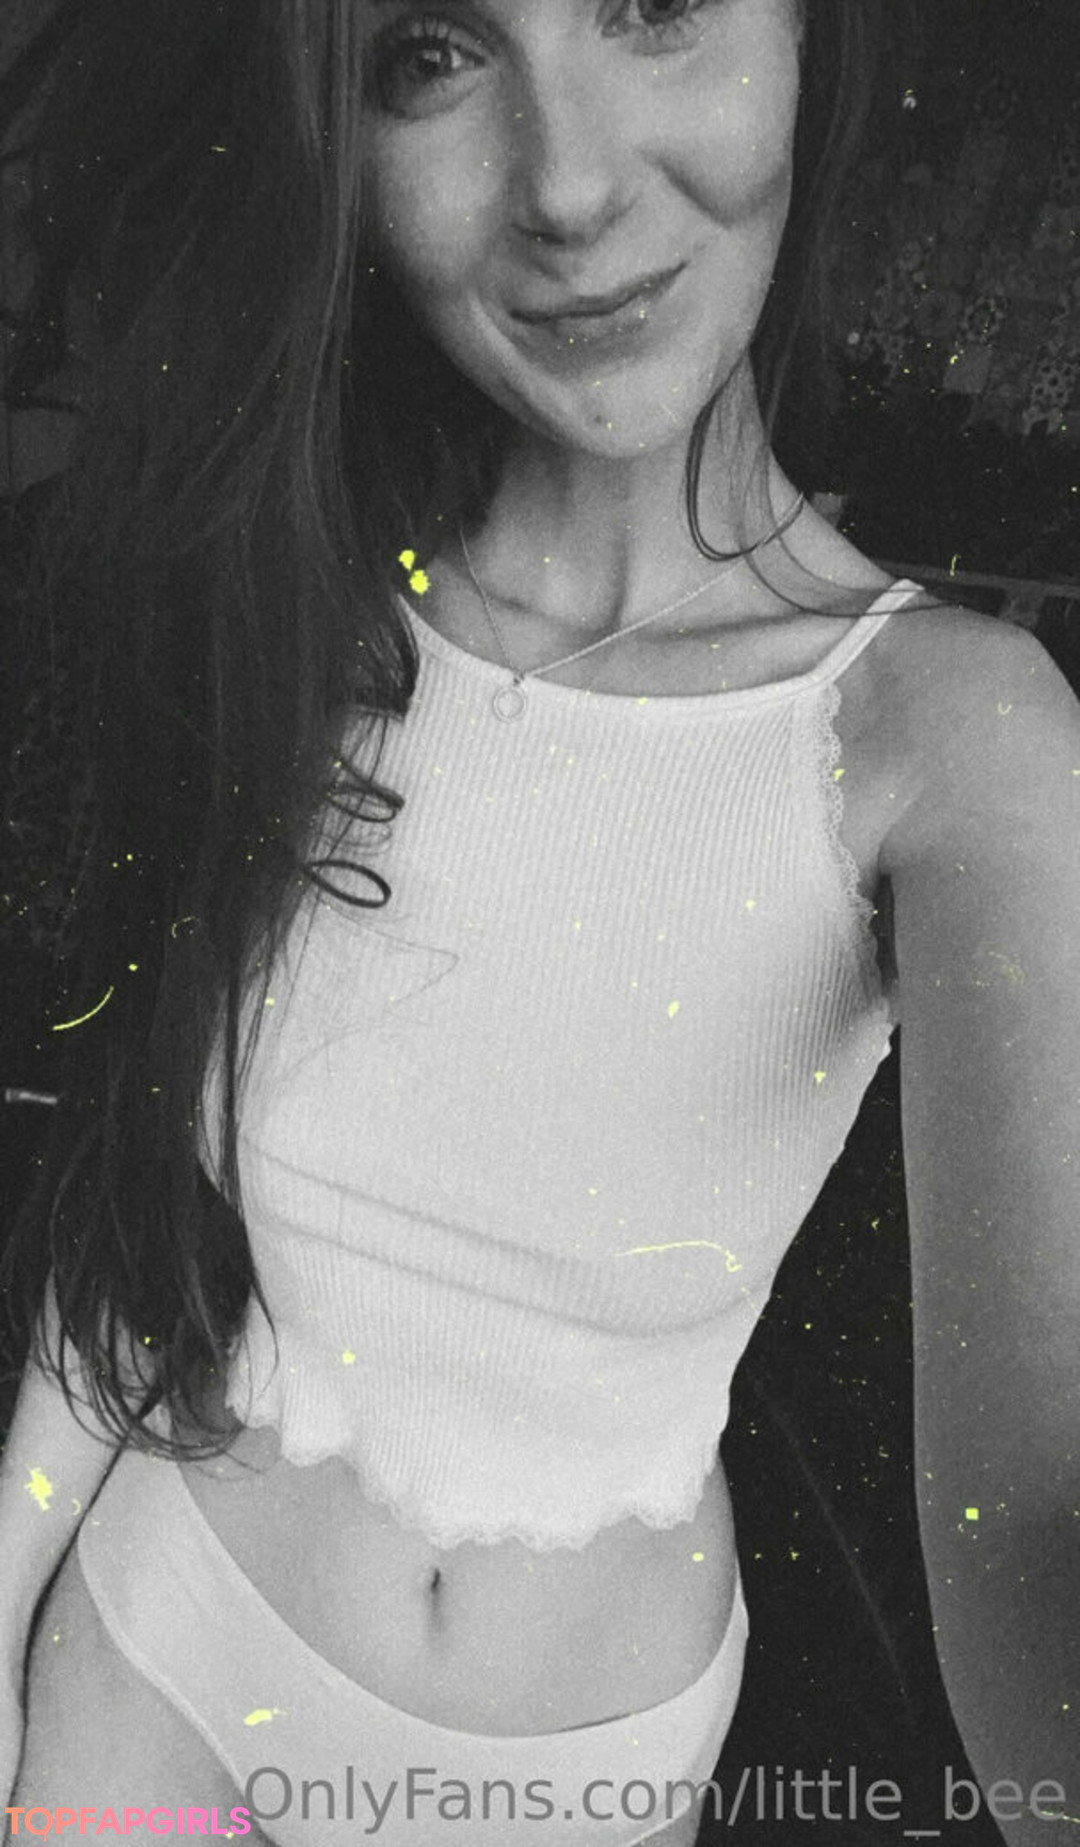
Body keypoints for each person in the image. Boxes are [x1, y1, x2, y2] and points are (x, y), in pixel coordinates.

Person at [1, 1, 1077, 1842]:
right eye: (431, 52)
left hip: (557, 1788)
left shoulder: (953, 743)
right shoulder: (299, 609)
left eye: (651, 3)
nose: (568, 187)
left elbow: (1038, 1516)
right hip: (153, 1653)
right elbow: (140, 1241)